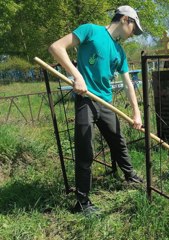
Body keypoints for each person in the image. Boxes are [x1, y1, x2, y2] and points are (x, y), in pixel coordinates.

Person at [48, 5, 144, 214]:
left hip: (106, 103)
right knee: (85, 150)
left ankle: (129, 175)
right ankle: (82, 202)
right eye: (134, 29)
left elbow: (128, 84)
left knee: (118, 141)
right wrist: (77, 76)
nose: (133, 34)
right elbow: (56, 47)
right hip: (86, 100)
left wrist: (136, 113)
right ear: (126, 19)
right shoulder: (90, 30)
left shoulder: (119, 51)